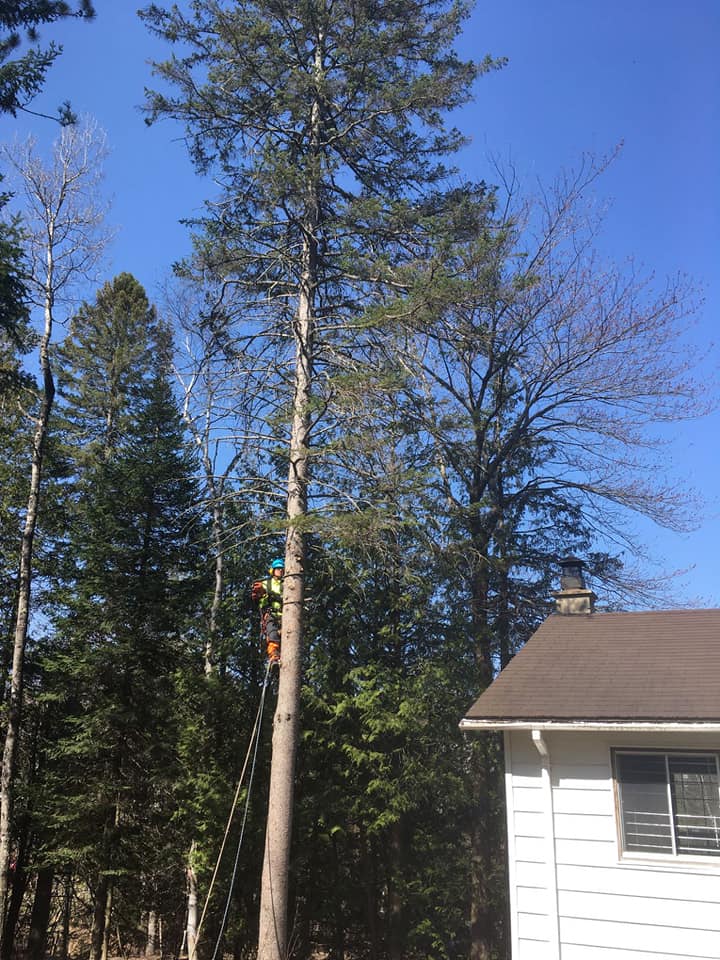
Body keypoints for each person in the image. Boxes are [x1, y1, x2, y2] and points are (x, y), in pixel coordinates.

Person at [251, 557, 284, 665]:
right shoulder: (266, 583)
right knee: (272, 635)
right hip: (271, 614)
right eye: (278, 568)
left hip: (285, 615)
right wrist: (259, 595)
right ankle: (274, 657)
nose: (280, 570)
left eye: (282, 569)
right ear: (272, 570)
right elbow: (258, 597)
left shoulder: (287, 583)